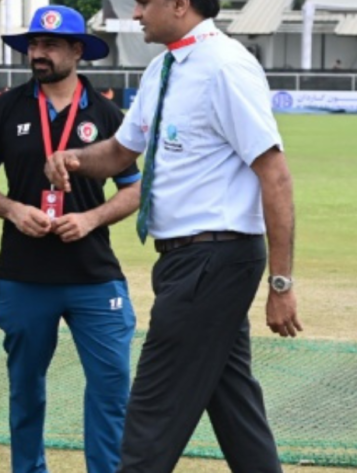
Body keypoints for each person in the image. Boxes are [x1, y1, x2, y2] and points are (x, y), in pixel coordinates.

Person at [44, 0, 301, 471]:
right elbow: (122, 152)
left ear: (180, 4)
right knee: (233, 404)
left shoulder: (226, 67)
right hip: (187, 261)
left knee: (151, 416)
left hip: (214, 258)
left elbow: (276, 175)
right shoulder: (163, 68)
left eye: (144, 2)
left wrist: (281, 284)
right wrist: (75, 158)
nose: (137, 13)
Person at [0, 5, 141, 473]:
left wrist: (92, 220)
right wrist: (12, 209)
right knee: (25, 390)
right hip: (22, 276)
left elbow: (136, 189)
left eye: (50, 46)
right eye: (34, 45)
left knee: (111, 387)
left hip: (93, 277)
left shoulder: (107, 113)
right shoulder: (6, 107)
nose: (38, 54)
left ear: (77, 51)